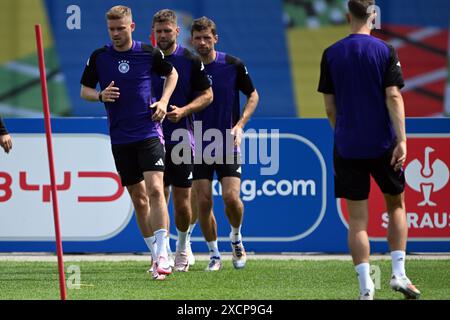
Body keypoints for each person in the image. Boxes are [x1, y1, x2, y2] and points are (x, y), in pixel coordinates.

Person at [318, 0, 420, 300]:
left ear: (348, 15)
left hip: (348, 145)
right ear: (372, 16)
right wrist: (402, 139)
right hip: (383, 145)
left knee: (358, 220)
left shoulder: (331, 53)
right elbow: (394, 96)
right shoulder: (385, 50)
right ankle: (399, 274)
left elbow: (329, 107)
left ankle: (366, 289)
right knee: (396, 206)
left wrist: (343, 132)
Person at [80, 5, 178, 280]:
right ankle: (154, 253)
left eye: (120, 28)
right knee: (138, 198)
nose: (116, 34)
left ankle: (163, 254)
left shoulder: (148, 53)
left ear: (131, 27)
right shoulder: (99, 57)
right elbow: (85, 90)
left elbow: (172, 74)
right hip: (120, 137)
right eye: (111, 29)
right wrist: (99, 96)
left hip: (148, 132)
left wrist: (164, 101)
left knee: (157, 190)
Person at [190, 17, 259, 271]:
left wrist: (240, 125)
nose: (202, 42)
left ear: (215, 38)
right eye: (198, 38)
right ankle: (214, 254)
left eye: (207, 37)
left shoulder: (232, 65)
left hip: (227, 142)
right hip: (196, 144)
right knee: (204, 201)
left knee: (231, 198)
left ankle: (236, 237)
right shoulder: (187, 68)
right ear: (192, 40)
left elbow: (253, 95)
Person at [151, 9, 213, 272]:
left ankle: (183, 245)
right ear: (152, 34)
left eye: (168, 31)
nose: (163, 36)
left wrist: (184, 111)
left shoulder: (190, 60)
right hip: (150, 136)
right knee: (156, 194)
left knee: (182, 199)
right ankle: (161, 253)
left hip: (180, 136)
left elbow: (208, 95)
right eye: (159, 32)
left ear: (178, 32)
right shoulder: (144, 58)